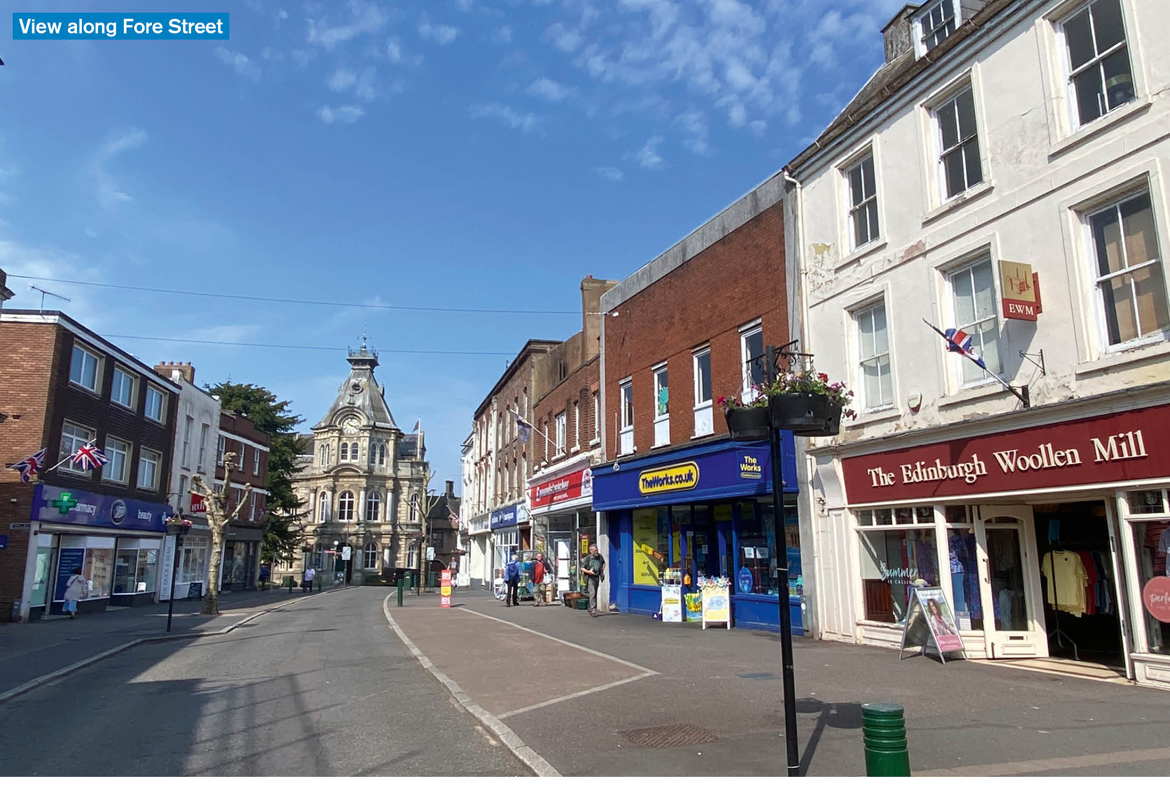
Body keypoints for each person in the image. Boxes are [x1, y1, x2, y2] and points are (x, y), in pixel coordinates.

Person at [581, 543, 606, 617]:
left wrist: (602, 571)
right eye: (590, 550)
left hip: (596, 577)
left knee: (595, 593)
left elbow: (603, 563)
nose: (591, 551)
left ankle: (589, 606)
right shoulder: (588, 558)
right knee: (592, 593)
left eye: (593, 550)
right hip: (589, 577)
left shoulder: (600, 557)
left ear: (596, 550)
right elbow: (582, 568)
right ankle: (593, 610)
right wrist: (589, 572)